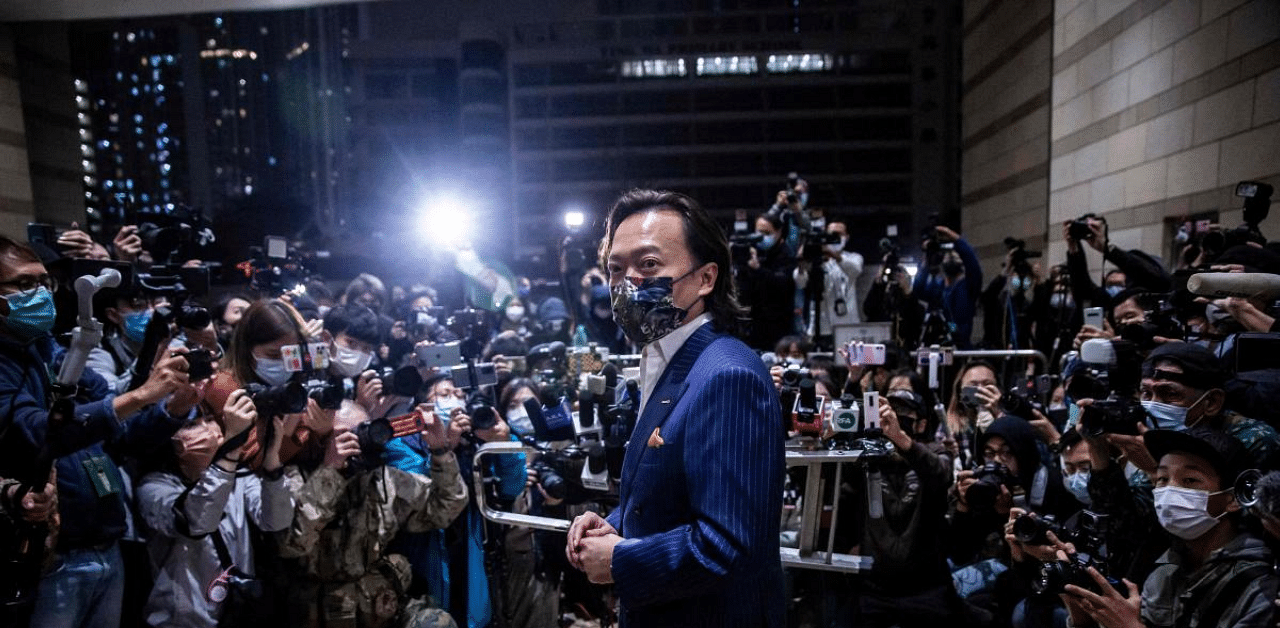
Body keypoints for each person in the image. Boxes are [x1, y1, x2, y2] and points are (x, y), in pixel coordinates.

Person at [566, 189, 785, 628]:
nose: (628, 283)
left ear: (705, 279)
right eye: (615, 268)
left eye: (648, 265)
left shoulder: (727, 376)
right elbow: (671, 498)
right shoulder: (669, 359)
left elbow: (730, 544)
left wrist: (622, 560)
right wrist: (616, 524)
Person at [1060, 427, 1278, 628]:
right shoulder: (1164, 569)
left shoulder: (1260, 584)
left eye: (1190, 480)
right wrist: (1082, 617)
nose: (1170, 491)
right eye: (1162, 479)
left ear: (1233, 499)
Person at [794, 220, 864, 346]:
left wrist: (832, 254)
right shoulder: (817, 260)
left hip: (847, 325)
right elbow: (800, 283)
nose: (835, 238)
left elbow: (855, 270)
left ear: (847, 237)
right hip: (821, 326)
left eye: (839, 234)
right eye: (832, 234)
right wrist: (802, 260)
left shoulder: (853, 257)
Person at [737, 212, 798, 351]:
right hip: (752, 323)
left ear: (778, 232)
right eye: (759, 232)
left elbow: (784, 285)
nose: (762, 236)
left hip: (777, 324)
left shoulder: (786, 254)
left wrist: (758, 269)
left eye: (767, 232)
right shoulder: (750, 250)